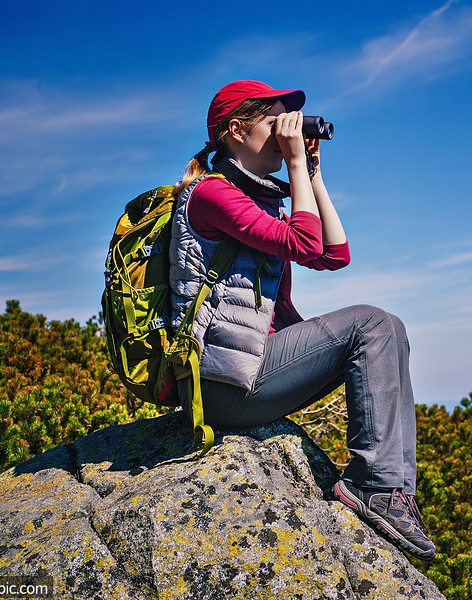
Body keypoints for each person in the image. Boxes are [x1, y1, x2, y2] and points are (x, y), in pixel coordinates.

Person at [169, 80, 435, 561]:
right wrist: (294, 164)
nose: (286, 130)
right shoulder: (209, 195)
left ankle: (391, 490)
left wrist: (310, 173)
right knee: (372, 325)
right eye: (275, 122)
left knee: (387, 327)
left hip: (248, 373)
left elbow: (334, 254)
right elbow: (307, 246)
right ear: (235, 130)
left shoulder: (258, 198)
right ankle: (374, 486)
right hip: (223, 387)